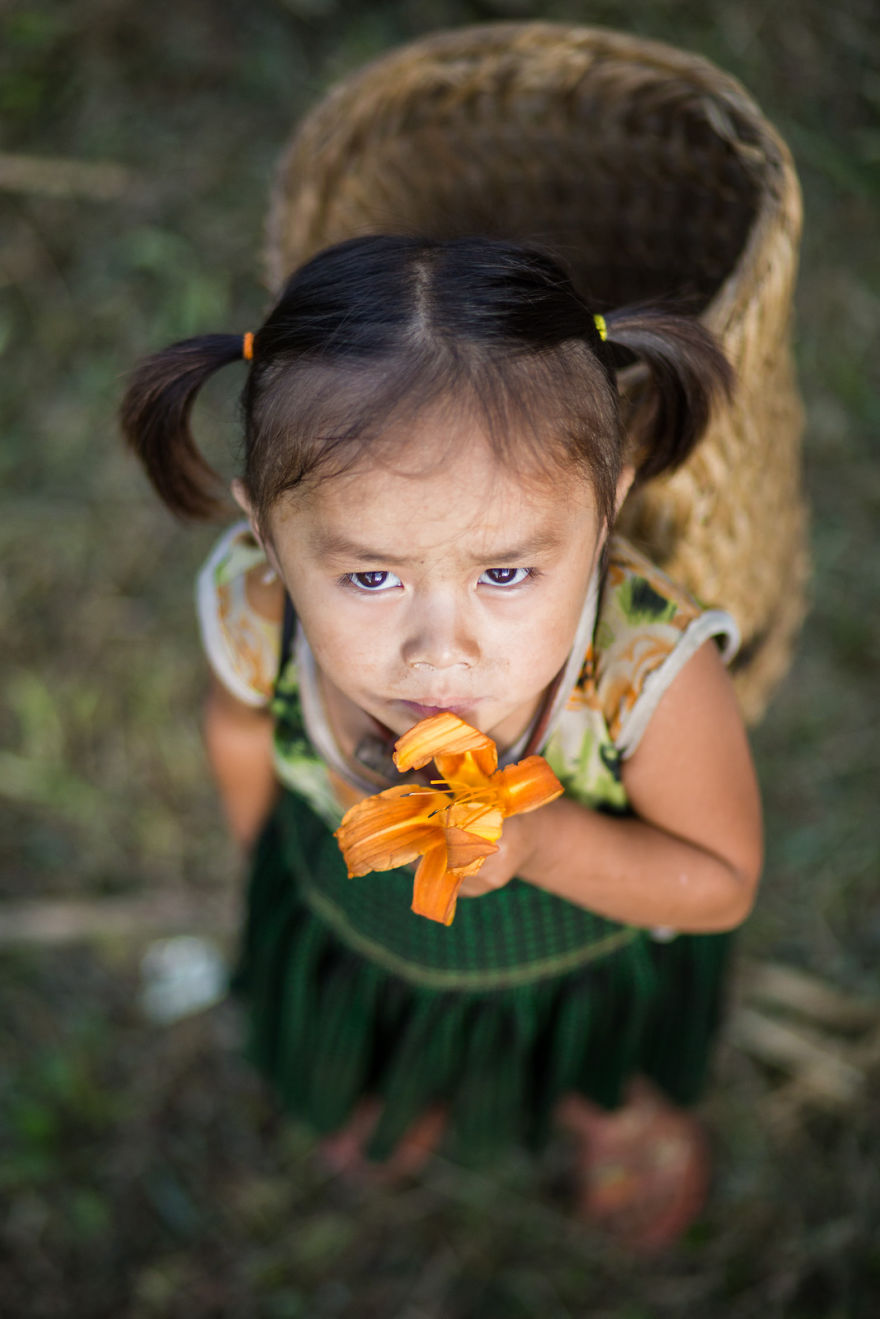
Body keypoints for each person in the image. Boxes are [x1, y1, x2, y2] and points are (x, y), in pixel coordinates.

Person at [120, 234, 762, 1251]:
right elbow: (235, 725)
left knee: (591, 1059)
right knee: (359, 1047)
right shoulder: (260, 616)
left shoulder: (641, 674)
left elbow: (720, 880)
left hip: (572, 970)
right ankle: (384, 1086)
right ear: (268, 536)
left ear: (605, 512)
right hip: (353, 932)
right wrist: (269, 860)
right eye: (371, 577)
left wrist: (543, 846)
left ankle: (611, 1109)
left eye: (505, 574)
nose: (441, 650)